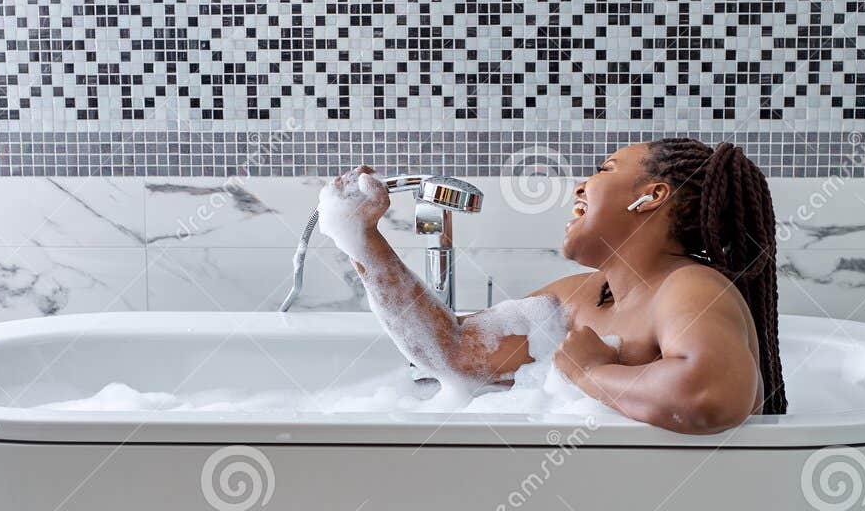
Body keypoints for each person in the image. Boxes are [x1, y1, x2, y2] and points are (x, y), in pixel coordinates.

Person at [320, 138, 784, 433]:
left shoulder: (691, 287)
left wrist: (590, 373)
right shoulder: (579, 296)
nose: (581, 185)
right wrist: (362, 240)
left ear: (652, 197)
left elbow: (711, 396)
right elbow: (455, 354)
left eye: (604, 170)